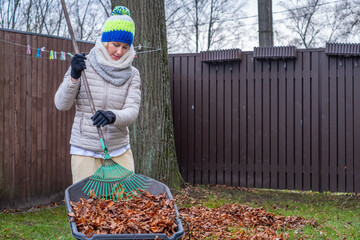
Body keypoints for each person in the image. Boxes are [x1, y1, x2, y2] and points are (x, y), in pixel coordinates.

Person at [54, 6, 140, 184]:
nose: (119, 52)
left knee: (125, 204)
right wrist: (74, 77)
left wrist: (112, 116)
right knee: (87, 204)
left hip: (118, 149)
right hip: (85, 149)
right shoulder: (83, 65)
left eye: (125, 47)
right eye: (116, 45)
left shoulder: (132, 74)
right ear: (104, 41)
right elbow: (61, 104)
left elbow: (132, 111)